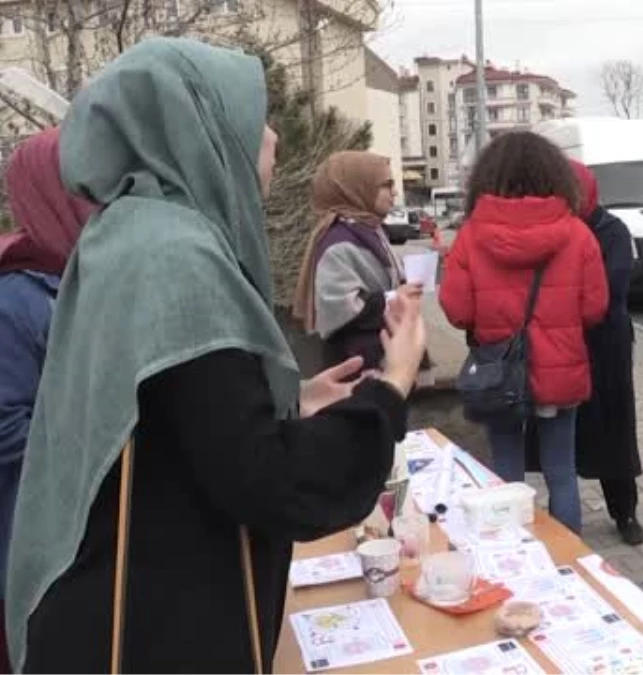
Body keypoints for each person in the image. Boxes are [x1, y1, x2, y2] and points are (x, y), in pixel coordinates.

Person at [5, 38, 427, 673]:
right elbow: (271, 483)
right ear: (199, 127)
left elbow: (168, 418)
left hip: (113, 600)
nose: (273, 137)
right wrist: (390, 387)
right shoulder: (175, 258)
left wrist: (288, 399)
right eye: (252, 115)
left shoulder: (127, 234)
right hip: (156, 627)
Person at [438, 131, 608, 535]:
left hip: (499, 374)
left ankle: (511, 556)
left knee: (506, 474)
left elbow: (458, 311)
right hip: (561, 371)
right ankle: (569, 564)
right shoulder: (578, 234)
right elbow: (595, 308)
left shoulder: (471, 236)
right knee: (561, 474)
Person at [0, 127, 95, 675]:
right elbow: (6, 428)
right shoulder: (15, 297)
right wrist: (106, 424)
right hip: (38, 550)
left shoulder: (77, 275)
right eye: (86, 187)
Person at [292, 151, 431, 379]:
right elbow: (341, 307)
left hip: (379, 363)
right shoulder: (338, 242)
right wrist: (395, 298)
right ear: (357, 188)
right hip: (356, 372)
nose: (394, 193)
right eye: (386, 185)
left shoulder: (370, 229)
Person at [569, 160, 643, 545]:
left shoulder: (611, 230)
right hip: (566, 344)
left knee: (614, 429)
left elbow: (613, 285)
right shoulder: (558, 229)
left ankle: (625, 512)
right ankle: (564, 520)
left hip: (607, 345)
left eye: (574, 190)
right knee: (567, 433)